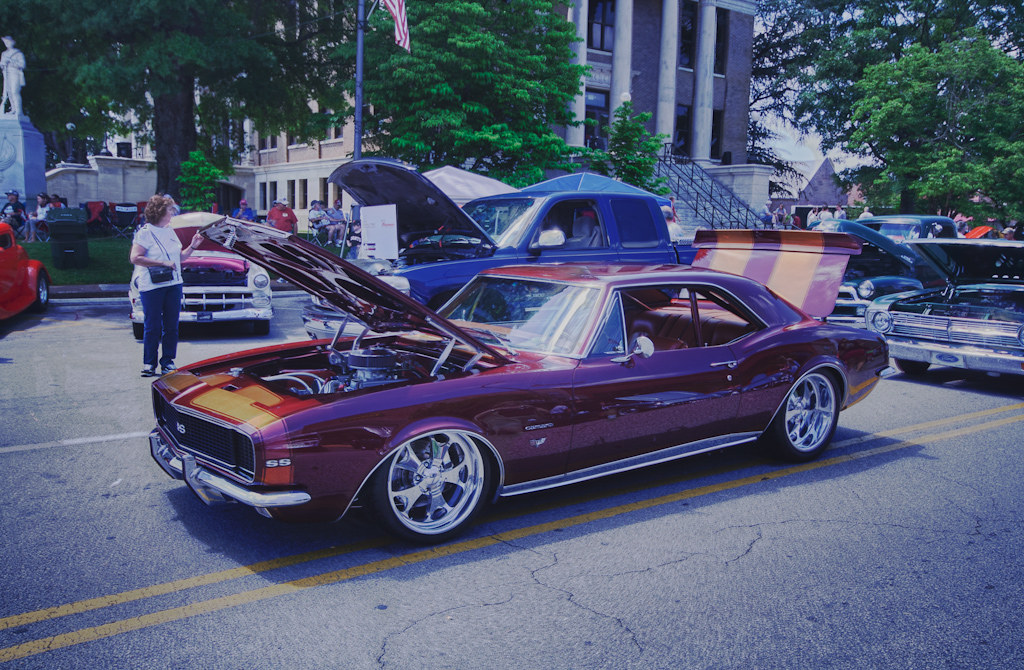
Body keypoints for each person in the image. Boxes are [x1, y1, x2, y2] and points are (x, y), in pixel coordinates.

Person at [129, 195, 203, 377]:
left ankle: (168, 361)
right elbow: (135, 258)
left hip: (174, 284)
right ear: (160, 212)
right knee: (152, 326)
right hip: (152, 286)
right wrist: (162, 263)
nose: (173, 214)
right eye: (170, 210)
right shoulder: (145, 232)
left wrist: (193, 246)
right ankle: (149, 363)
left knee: (171, 326)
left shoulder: (170, 231)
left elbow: (180, 258)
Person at [0, 36, 26, 117]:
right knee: (9, 92)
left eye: (8, 41)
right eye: (5, 42)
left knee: (15, 92)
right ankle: (13, 109)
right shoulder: (4, 54)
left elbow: (22, 64)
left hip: (15, 74)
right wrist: (3, 64)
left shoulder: (18, 53)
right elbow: (1, 64)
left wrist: (11, 62)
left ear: (12, 42)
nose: (7, 43)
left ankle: (19, 111)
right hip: (6, 74)